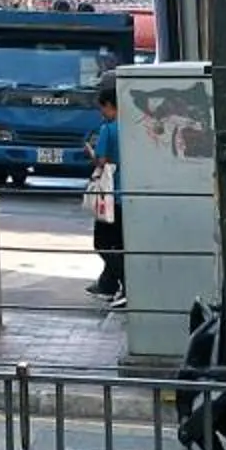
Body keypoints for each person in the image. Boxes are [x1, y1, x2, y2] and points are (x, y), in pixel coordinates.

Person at [86, 86, 127, 311]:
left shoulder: (108, 130)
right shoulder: (132, 128)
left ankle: (126, 283)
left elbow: (101, 161)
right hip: (129, 193)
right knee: (120, 242)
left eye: (103, 108)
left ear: (110, 106)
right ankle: (108, 284)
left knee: (102, 242)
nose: (102, 113)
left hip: (110, 195)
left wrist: (91, 154)